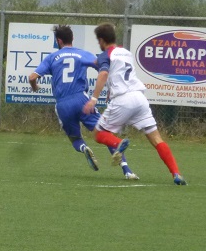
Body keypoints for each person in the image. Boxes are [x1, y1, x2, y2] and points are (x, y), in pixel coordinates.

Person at [29, 24, 138, 180]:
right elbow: (103, 69)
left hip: (62, 105)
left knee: (75, 138)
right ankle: (127, 170)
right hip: (81, 100)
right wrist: (110, 88)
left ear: (59, 41)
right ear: (72, 38)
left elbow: (32, 77)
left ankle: (84, 148)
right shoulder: (82, 54)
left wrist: (35, 87)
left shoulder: (52, 58)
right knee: (105, 133)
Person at [84, 22, 187, 186]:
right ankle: (176, 173)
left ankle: (118, 144)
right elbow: (119, 73)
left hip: (122, 100)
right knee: (156, 139)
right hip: (139, 98)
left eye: (99, 40)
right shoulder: (126, 53)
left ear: (102, 40)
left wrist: (94, 99)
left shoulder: (105, 55)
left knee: (98, 134)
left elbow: (103, 73)